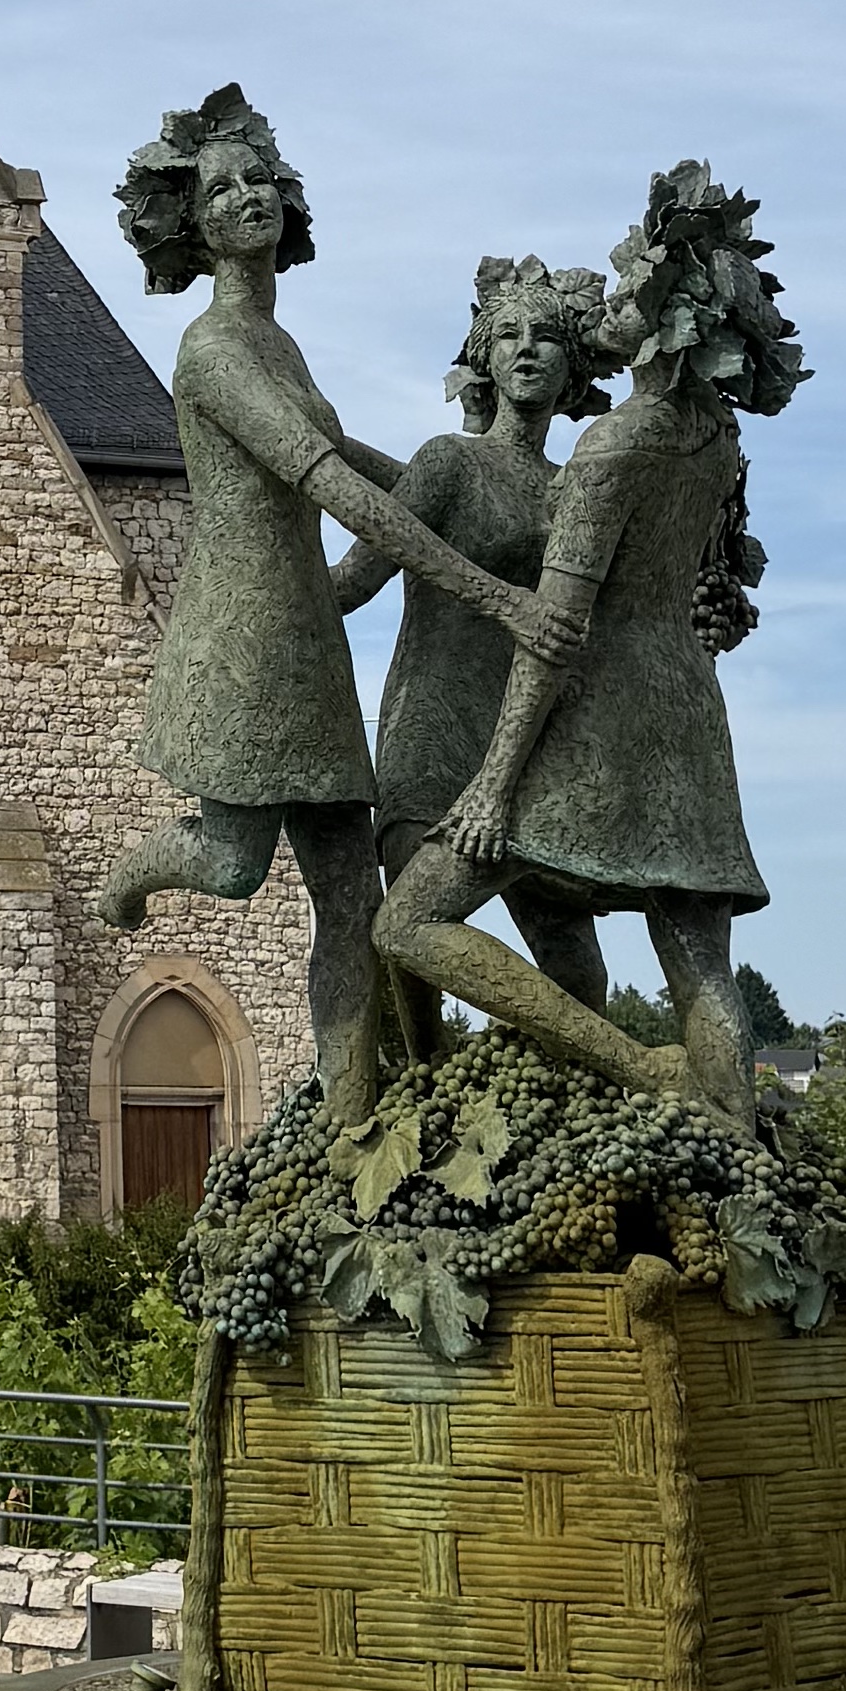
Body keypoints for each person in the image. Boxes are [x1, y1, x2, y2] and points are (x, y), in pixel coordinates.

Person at [100, 87, 549, 1106]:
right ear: (195, 224)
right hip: (240, 643)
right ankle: (133, 872)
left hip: (306, 640)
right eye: (225, 190)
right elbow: (331, 485)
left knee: (352, 903)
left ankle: (350, 1120)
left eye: (261, 181)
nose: (250, 197)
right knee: (231, 863)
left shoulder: (280, 346)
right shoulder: (212, 350)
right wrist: (489, 590)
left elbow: (363, 459)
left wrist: (471, 488)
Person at [391, 157, 801, 1128]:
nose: (609, 306)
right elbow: (716, 588)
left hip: (598, 727)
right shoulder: (716, 440)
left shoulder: (610, 448)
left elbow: (557, 626)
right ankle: (737, 1160)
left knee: (406, 918)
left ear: (669, 318)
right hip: (691, 726)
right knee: (701, 964)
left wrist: (493, 783)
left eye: (627, 292)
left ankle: (636, 1070)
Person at [338, 254, 617, 1010]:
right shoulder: (446, 464)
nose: (526, 349)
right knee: (414, 952)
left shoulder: (579, 489)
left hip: (529, 747)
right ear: (485, 362)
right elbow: (351, 584)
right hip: (431, 732)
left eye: (546, 338)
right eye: (508, 337)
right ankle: (423, 1106)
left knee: (580, 973)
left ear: (572, 370)